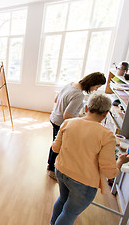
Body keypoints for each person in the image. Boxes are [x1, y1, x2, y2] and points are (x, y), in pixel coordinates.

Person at [50, 93, 129, 225]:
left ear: (86, 108)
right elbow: (109, 172)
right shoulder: (106, 135)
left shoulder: (68, 123)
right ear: (105, 114)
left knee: (63, 200)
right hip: (83, 181)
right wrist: (120, 161)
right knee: (69, 212)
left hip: (61, 171)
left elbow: (55, 149)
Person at [47, 72, 106, 179]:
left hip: (54, 117)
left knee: (55, 142)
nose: (95, 90)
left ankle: (50, 164)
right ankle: (52, 170)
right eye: (96, 87)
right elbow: (67, 115)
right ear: (92, 83)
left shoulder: (70, 84)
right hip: (61, 122)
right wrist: (80, 122)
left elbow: (56, 99)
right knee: (59, 146)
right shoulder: (79, 95)